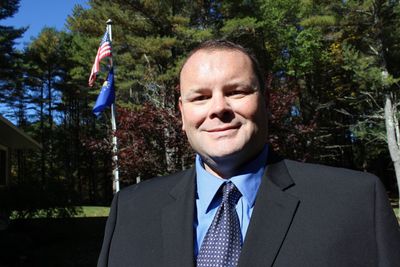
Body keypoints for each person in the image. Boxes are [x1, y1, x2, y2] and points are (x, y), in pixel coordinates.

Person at [97, 40, 400, 267]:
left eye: (236, 91)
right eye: (200, 97)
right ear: (182, 112)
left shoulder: (355, 202)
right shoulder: (130, 210)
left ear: (266, 100)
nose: (218, 109)